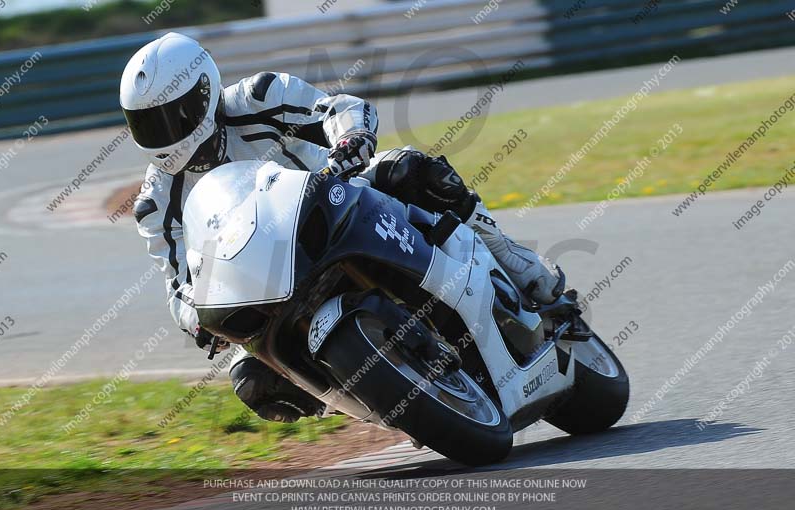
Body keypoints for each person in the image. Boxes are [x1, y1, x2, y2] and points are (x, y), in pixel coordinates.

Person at [121, 32, 563, 424]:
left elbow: (338, 109)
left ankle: (506, 254)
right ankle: (360, 391)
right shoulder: (155, 203)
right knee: (251, 380)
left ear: (204, 92)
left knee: (411, 169)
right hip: (266, 282)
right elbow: (177, 283)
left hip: (337, 205)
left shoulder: (261, 96)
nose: (164, 133)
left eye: (172, 116)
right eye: (147, 124)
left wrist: (350, 140)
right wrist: (196, 319)